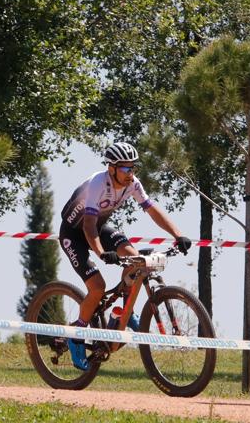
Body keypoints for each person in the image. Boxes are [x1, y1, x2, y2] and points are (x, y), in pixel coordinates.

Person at [58, 142, 192, 370]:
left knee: (137, 261)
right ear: (112, 168)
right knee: (97, 287)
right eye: (126, 169)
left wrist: (178, 235)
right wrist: (101, 253)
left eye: (133, 168)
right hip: (74, 234)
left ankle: (122, 312)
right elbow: (88, 225)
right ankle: (76, 337)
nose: (131, 174)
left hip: (100, 228)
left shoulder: (132, 183)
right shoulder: (98, 183)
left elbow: (151, 210)